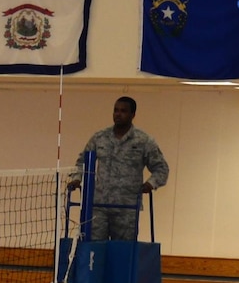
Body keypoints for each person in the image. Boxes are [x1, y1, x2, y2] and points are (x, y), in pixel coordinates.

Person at [67, 97, 171, 242]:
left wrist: (150, 184)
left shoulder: (143, 141)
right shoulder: (99, 138)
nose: (118, 114)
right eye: (116, 110)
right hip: (99, 207)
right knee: (94, 251)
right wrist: (77, 179)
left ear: (133, 114)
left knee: (123, 253)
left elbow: (162, 168)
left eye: (123, 111)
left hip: (126, 209)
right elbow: (81, 162)